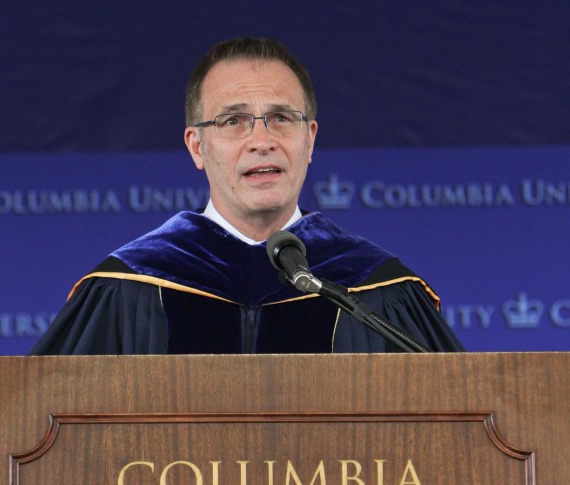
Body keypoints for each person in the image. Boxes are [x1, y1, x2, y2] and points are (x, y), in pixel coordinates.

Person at [30, 37, 463, 355]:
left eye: (280, 118)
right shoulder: (127, 287)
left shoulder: (373, 289)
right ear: (197, 147)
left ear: (309, 140)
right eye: (234, 121)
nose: (261, 140)